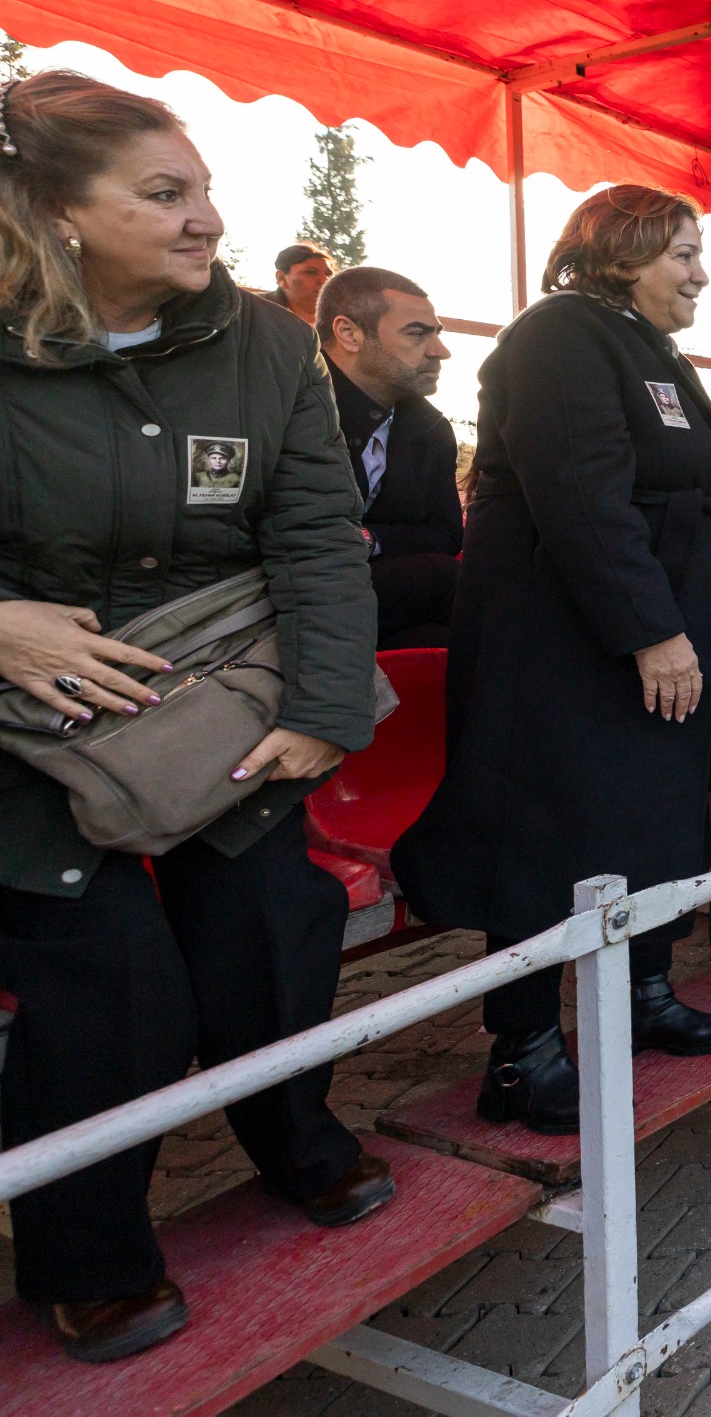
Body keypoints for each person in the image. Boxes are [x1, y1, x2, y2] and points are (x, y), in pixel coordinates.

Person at [0, 71, 390, 1363]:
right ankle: (86, 1252)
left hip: (218, 697)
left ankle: (296, 1137)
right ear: (57, 211)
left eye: (207, 188)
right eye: (165, 194)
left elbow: (318, 541)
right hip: (27, 732)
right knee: (109, 992)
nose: (206, 218)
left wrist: (330, 708)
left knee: (274, 930)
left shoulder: (269, 346)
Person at [394, 185, 711, 1138]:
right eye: (681, 253)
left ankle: (643, 994)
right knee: (547, 838)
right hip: (558, 649)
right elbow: (585, 498)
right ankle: (520, 1051)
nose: (700, 273)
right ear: (620, 252)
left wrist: (706, 625)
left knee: (643, 824)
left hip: (652, 640)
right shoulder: (558, 335)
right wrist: (653, 628)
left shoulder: (646, 345)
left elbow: (697, 499)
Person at [316, 265, 461, 648]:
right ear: (349, 334)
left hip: (368, 600)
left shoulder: (430, 429)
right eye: (417, 334)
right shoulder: (286, 409)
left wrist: (368, 539)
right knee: (450, 583)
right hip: (277, 595)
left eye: (437, 334)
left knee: (437, 642)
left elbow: (446, 533)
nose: (440, 351)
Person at [269, 241, 335, 323]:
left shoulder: (345, 318)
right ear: (281, 278)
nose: (324, 280)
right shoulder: (256, 312)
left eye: (328, 274)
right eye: (311, 272)